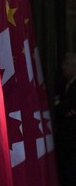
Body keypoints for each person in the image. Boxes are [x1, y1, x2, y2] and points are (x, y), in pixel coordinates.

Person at [55, 52, 76, 186]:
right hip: (64, 140)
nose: (63, 67)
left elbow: (61, 107)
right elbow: (59, 109)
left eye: (67, 64)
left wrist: (61, 106)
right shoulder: (63, 84)